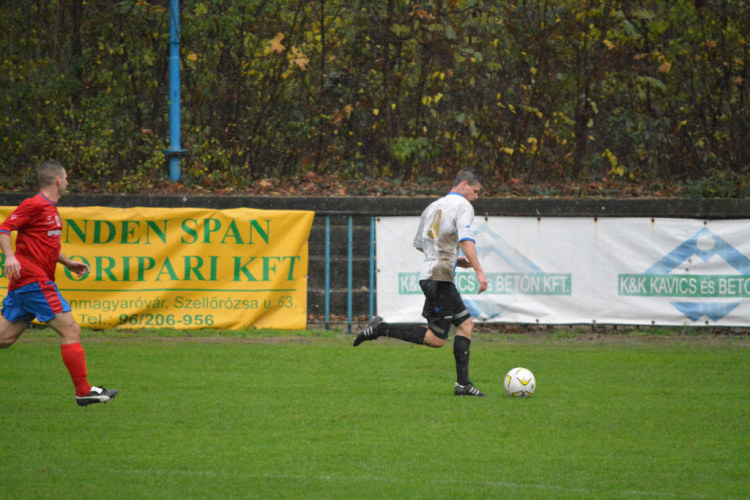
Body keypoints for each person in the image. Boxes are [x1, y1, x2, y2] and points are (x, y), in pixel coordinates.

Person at [354, 167, 489, 396]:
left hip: (433, 274)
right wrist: (479, 271)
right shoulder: (463, 206)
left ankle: (463, 385)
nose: (476, 197)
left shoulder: (432, 206)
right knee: (436, 339)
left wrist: (453, 259)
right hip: (440, 278)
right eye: (475, 191)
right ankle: (380, 328)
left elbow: (420, 244)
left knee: (465, 325)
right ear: (464, 185)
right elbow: (466, 239)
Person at [0, 160, 118, 407]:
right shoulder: (34, 204)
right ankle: (84, 391)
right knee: (70, 329)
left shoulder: (51, 209)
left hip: (27, 284)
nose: (67, 182)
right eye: (65, 178)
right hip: (34, 282)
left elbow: (44, 245)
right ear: (56, 180)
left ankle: (84, 391)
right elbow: (4, 228)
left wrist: (67, 262)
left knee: (4, 339)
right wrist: (9, 256)